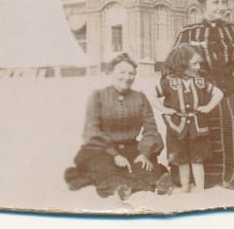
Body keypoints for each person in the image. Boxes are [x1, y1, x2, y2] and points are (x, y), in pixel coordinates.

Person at [170, 0, 234, 189]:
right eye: (215, 2)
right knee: (200, 119)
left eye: (223, 2)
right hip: (199, 89)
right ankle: (206, 178)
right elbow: (172, 67)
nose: (221, 7)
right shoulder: (188, 33)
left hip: (231, 86)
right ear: (203, 5)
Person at [64, 53, 169, 200]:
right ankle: (122, 187)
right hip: (103, 149)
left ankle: (138, 184)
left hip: (133, 149)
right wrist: (114, 154)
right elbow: (92, 130)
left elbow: (151, 130)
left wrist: (144, 153)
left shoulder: (140, 98)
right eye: (122, 72)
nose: (127, 77)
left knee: (144, 166)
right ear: (110, 72)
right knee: (105, 168)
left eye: (131, 73)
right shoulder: (98, 96)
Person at [152, 44, 224, 193]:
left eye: (199, 63)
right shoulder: (169, 82)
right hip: (177, 127)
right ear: (182, 64)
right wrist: (164, 109)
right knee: (182, 160)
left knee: (198, 159)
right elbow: (151, 95)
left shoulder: (200, 81)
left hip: (197, 127)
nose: (198, 67)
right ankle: (185, 187)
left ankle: (200, 189)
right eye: (194, 64)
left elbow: (219, 93)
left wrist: (208, 107)